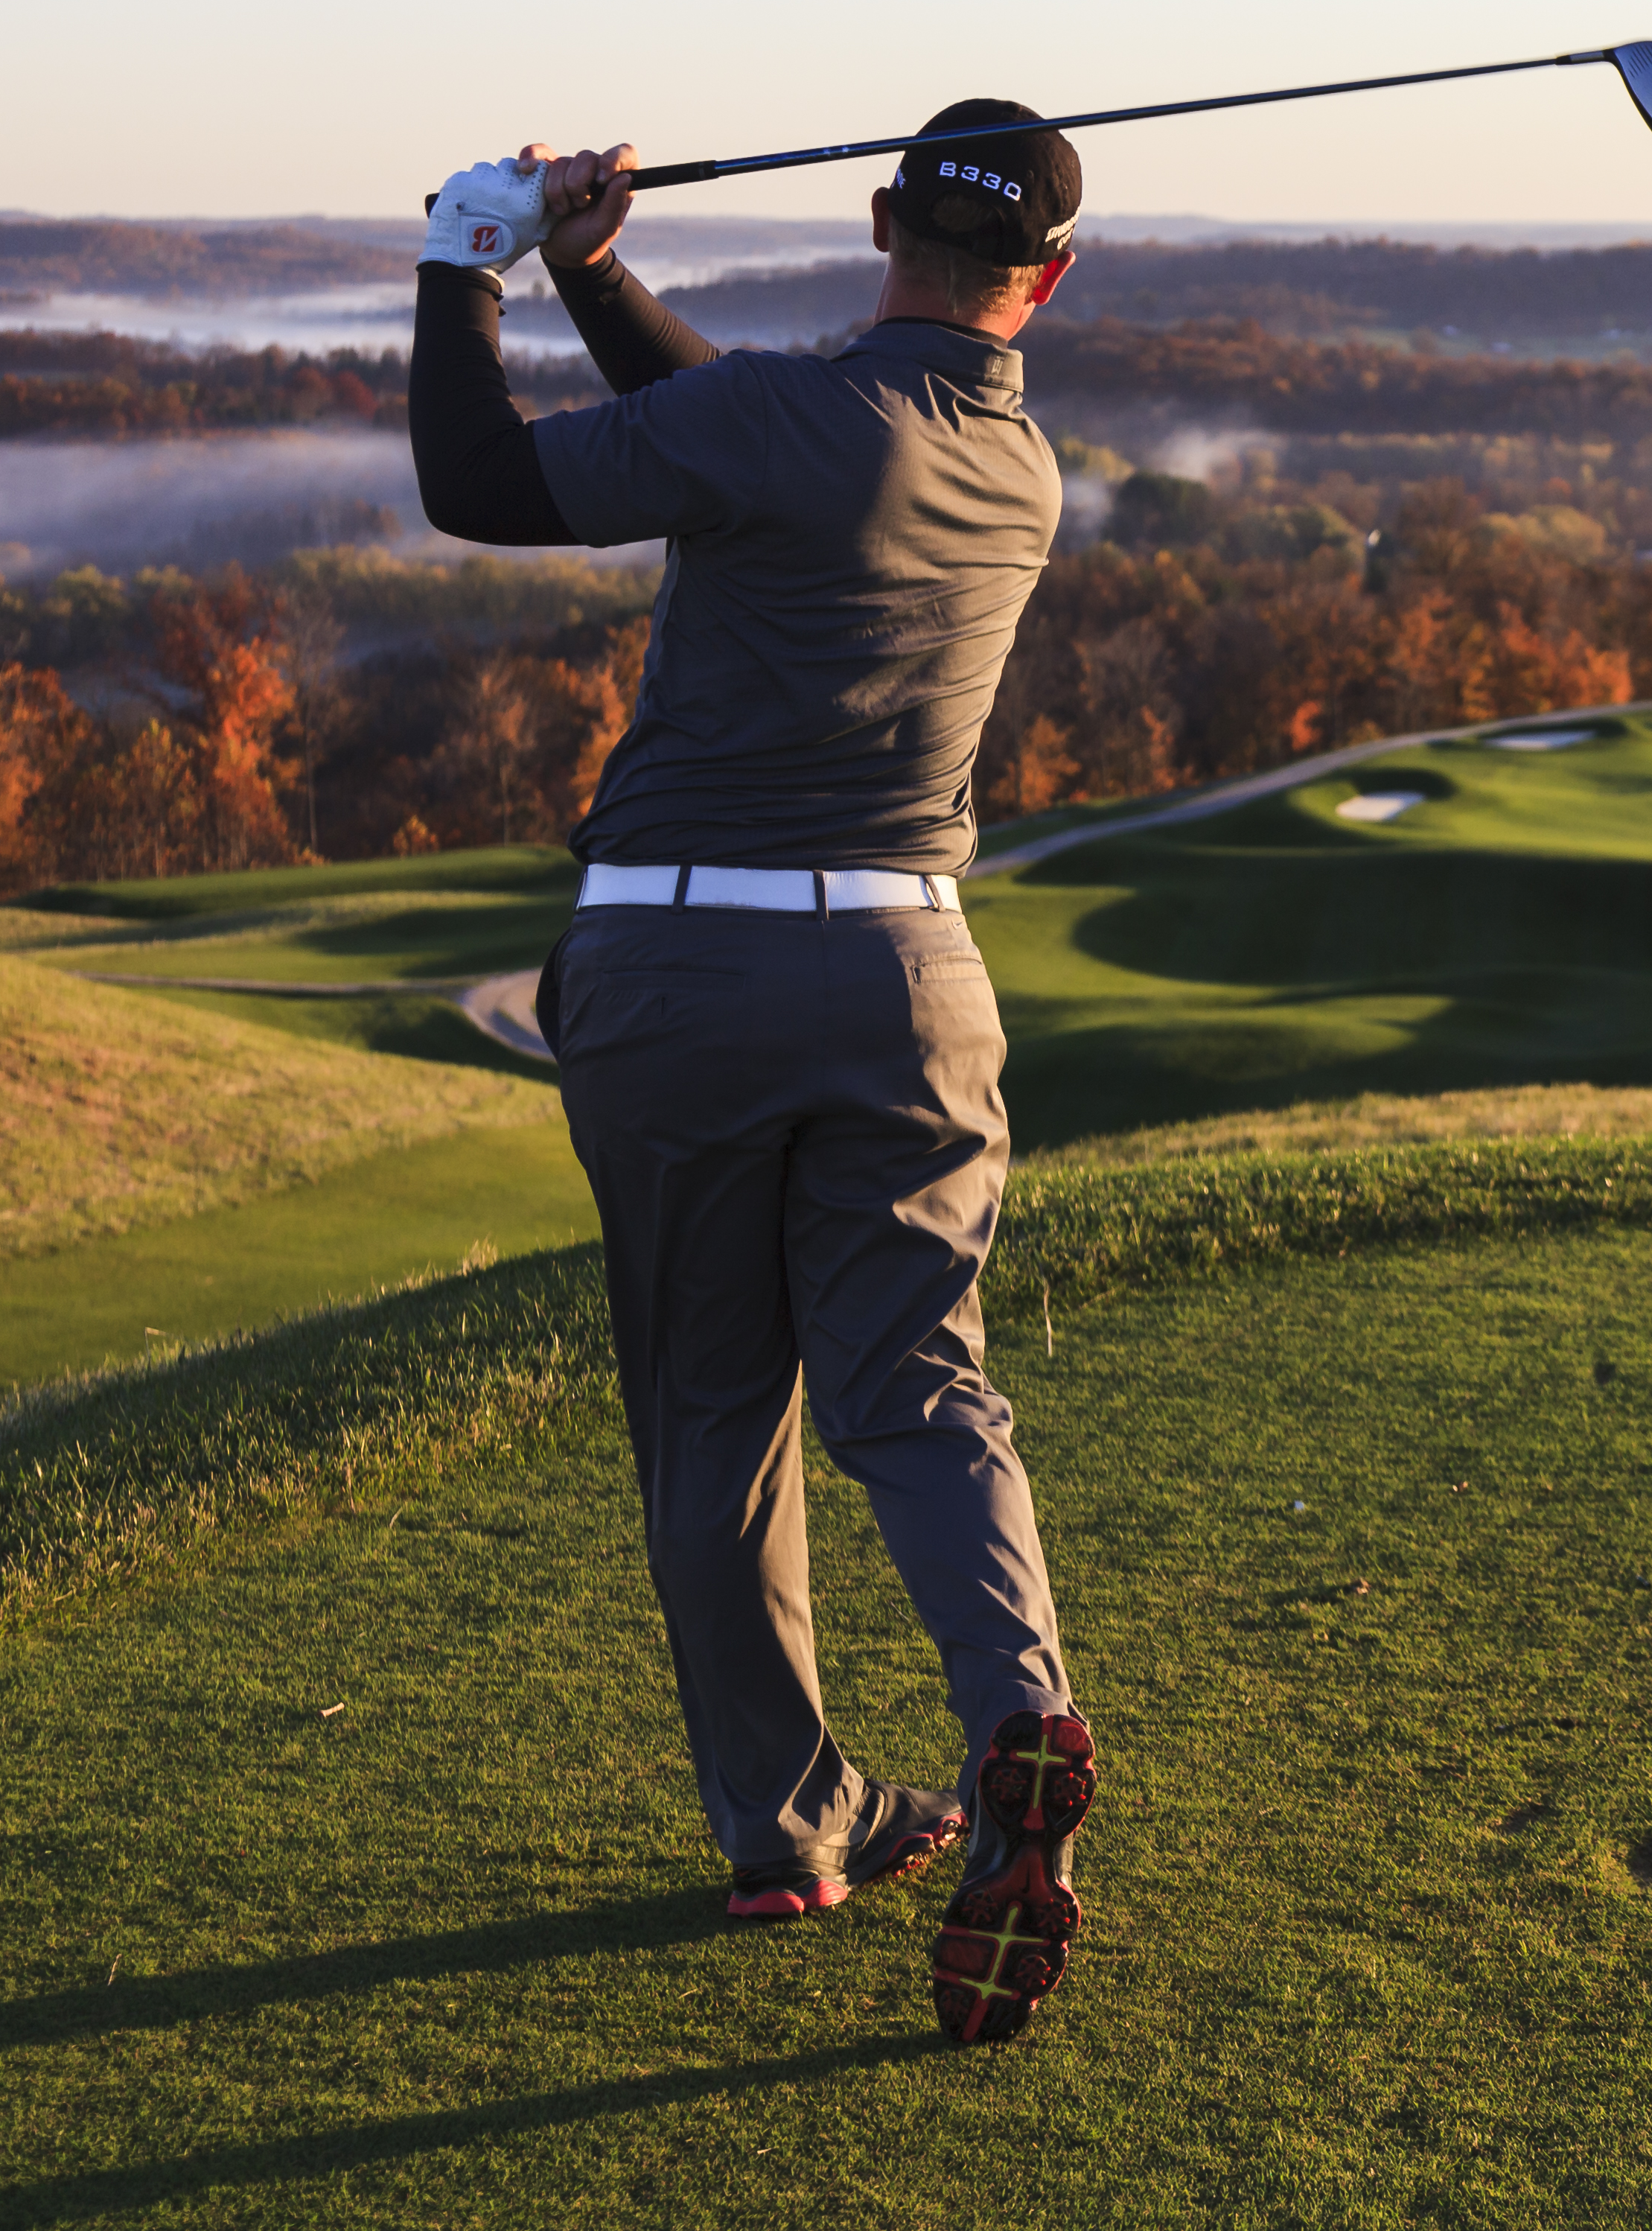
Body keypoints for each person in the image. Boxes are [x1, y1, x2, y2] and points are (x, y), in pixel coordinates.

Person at [409, 108, 1100, 2046]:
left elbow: (478, 484)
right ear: (1052, 279)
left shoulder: (794, 421)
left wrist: (465, 257)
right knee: (922, 1387)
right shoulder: (1013, 463)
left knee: (718, 1411)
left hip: (682, 971)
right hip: (915, 972)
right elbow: (746, 439)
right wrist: (592, 275)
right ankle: (1016, 1716)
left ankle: (790, 1827)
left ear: (880, 220)